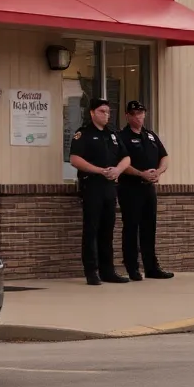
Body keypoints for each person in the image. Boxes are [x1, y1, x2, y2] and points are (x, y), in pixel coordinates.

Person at [68, 97, 131, 285]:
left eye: (108, 112)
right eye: (102, 111)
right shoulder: (84, 134)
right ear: (92, 113)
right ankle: (91, 271)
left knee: (107, 229)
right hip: (92, 185)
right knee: (92, 229)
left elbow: (126, 157)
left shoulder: (112, 134)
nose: (106, 115)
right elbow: (74, 159)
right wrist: (99, 170)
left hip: (110, 187)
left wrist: (118, 170)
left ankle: (108, 270)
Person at [117, 100, 175, 281]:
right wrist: (141, 174)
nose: (139, 116)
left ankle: (151, 267)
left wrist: (158, 172)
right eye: (134, 113)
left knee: (149, 228)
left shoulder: (150, 136)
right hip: (130, 188)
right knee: (131, 228)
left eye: (141, 113)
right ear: (127, 116)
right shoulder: (122, 137)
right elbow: (121, 164)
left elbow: (164, 157)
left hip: (149, 188)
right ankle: (132, 267)